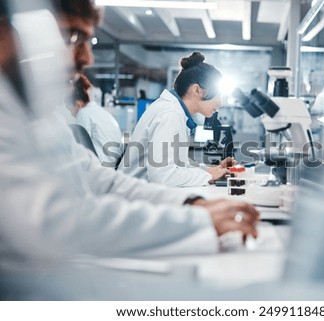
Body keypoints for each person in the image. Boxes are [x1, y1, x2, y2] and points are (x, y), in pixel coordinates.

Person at [0, 0, 258, 270]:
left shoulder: (40, 118)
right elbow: (51, 224)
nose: (87, 58)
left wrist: (193, 204)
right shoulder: (169, 114)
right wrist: (197, 219)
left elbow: (100, 181)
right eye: (73, 36)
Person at [117, 52, 235, 187]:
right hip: (132, 197)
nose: (220, 102)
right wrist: (209, 176)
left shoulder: (174, 111)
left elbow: (178, 165)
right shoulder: (170, 114)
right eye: (218, 95)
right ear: (197, 90)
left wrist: (211, 170)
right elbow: (163, 176)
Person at [68, 73, 123, 165]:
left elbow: (79, 146)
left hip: (100, 166)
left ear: (77, 104)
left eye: (71, 111)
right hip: (113, 165)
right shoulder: (101, 112)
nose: (72, 114)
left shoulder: (83, 113)